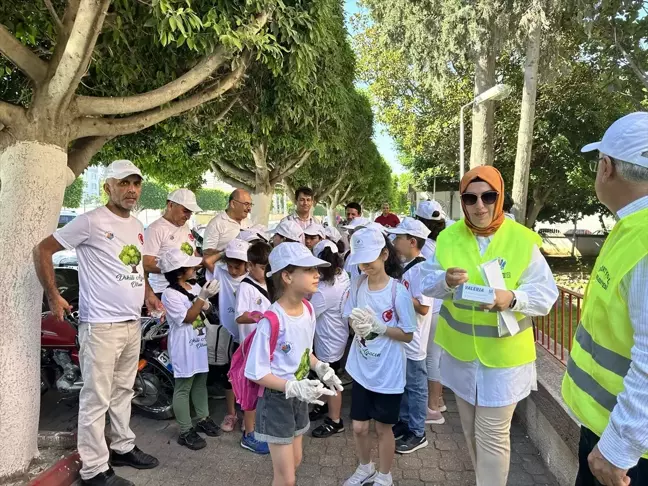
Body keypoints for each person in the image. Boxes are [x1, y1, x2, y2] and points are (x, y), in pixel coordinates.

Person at [419, 166, 558, 486]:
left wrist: (511, 298)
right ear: (462, 201)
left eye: (488, 196)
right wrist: (445, 281)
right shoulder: (449, 237)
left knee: (493, 435)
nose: (479, 205)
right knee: (470, 431)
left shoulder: (522, 240)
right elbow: (426, 283)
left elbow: (546, 296)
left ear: (499, 198)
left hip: (505, 360)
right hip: (461, 357)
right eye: (470, 198)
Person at [33, 160, 161, 486]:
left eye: (136, 183)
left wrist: (147, 293)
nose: (131, 189)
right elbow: (43, 249)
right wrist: (52, 296)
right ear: (108, 187)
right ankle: (93, 470)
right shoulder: (89, 222)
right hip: (101, 327)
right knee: (95, 400)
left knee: (123, 391)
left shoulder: (135, 226)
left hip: (131, 324)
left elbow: (135, 267)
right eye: (124, 183)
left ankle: (122, 446)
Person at [561, 112, 648, 486]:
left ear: (606, 167)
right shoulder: (632, 226)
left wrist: (618, 448)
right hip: (611, 433)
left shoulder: (643, 239)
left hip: (625, 454)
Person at [244, 243, 342, 486]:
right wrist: (291, 387)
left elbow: (305, 353)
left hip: (301, 395)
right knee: (286, 478)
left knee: (296, 460)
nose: (317, 275)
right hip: (277, 400)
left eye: (316, 269)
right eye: (308, 270)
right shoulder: (272, 320)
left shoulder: (308, 309)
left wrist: (321, 367)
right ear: (287, 277)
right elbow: (255, 372)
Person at [342, 228, 416, 486]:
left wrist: (381, 328)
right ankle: (366, 468)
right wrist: (356, 325)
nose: (365, 266)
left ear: (385, 254)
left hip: (387, 373)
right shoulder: (358, 283)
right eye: (360, 260)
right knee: (359, 427)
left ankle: (385, 476)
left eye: (370, 259)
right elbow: (349, 314)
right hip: (362, 367)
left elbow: (408, 334)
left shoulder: (398, 292)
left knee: (383, 428)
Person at [159, 249, 222, 450]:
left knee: (200, 381)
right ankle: (185, 430)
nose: (194, 268)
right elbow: (186, 317)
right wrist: (202, 297)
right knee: (184, 386)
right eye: (190, 266)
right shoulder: (169, 294)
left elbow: (207, 309)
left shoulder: (193, 287)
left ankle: (203, 418)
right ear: (179, 272)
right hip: (183, 345)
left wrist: (206, 301)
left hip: (199, 342)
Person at [387, 218, 438, 453]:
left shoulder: (421, 269)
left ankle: (418, 432)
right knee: (406, 384)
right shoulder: (409, 267)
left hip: (414, 340)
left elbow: (424, 306)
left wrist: (399, 295)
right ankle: (406, 422)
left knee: (416, 386)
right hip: (404, 337)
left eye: (398, 238)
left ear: (412, 241)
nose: (395, 242)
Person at [204, 238, 249, 433]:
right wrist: (225, 251)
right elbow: (207, 262)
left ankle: (249, 413)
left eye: (237, 266)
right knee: (228, 375)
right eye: (230, 265)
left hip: (247, 335)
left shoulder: (251, 278)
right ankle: (231, 414)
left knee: (249, 376)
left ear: (247, 264)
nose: (232, 270)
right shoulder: (221, 273)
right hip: (227, 333)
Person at [309, 240, 351, 439]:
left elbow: (309, 315)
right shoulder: (343, 276)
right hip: (338, 333)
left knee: (330, 380)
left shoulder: (323, 292)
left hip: (328, 339)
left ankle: (335, 421)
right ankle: (324, 406)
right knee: (325, 377)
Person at [235, 241, 273, 455]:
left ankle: (258, 427)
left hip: (266, 346)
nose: (265, 271)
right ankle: (249, 434)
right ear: (250, 265)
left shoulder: (270, 283)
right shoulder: (245, 287)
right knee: (250, 391)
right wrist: (256, 316)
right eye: (262, 267)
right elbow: (239, 317)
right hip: (250, 347)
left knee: (262, 390)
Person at [143, 189, 201, 298]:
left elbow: (194, 253)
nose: (188, 216)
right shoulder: (155, 229)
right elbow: (147, 264)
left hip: (188, 287)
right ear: (170, 205)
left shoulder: (185, 227)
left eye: (191, 212)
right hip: (165, 291)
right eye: (185, 211)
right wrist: (179, 269)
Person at [203, 188, 251, 264]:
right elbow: (206, 255)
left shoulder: (248, 222)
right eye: (246, 204)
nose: (249, 208)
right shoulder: (216, 223)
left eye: (250, 204)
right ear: (233, 204)